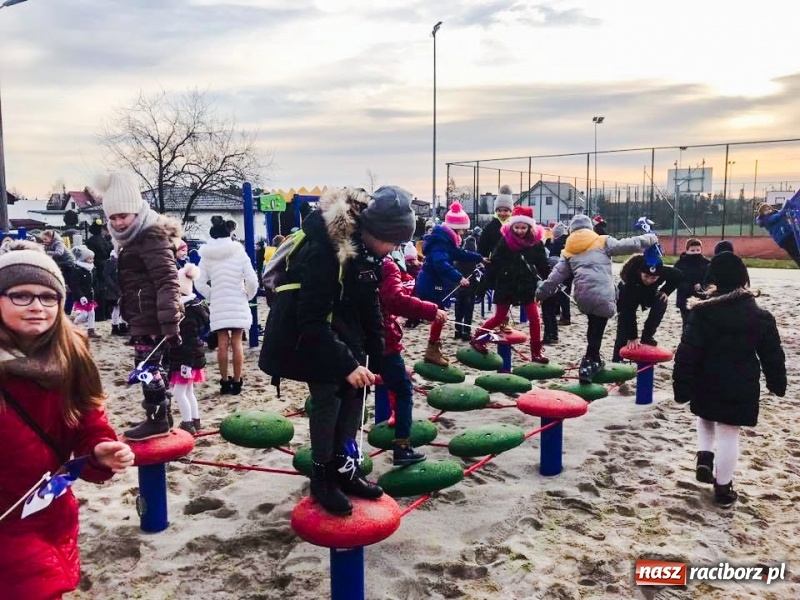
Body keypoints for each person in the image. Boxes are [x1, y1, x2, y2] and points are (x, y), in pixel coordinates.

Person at [259, 186, 414, 516]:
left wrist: (379, 355)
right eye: (394, 241)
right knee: (328, 400)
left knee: (354, 398)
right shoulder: (327, 250)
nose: (396, 249)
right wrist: (346, 364)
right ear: (376, 232)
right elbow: (311, 319)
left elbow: (370, 305)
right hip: (312, 337)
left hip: (345, 331)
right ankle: (323, 476)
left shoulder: (370, 253)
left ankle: (347, 468)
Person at [0, 241, 134, 599]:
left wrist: (100, 449)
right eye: (21, 295)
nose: (37, 307)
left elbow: (88, 418)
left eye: (48, 297)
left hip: (50, 508)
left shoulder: (71, 350)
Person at [673, 252, 785, 508]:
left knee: (705, 417)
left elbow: (687, 351)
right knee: (729, 432)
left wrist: (682, 386)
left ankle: (704, 454)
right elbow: (773, 354)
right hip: (741, 382)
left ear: (712, 278)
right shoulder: (760, 316)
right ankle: (723, 488)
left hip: (706, 377)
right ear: (744, 278)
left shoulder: (701, 313)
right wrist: (777, 382)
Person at [99, 171, 183, 441]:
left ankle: (157, 419)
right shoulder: (132, 239)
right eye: (112, 218)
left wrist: (169, 320)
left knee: (147, 367)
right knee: (149, 366)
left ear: (136, 210)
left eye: (122, 215)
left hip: (154, 316)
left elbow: (167, 279)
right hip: (143, 313)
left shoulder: (150, 236)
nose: (118, 222)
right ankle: (161, 415)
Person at [536, 214, 658, 383]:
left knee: (593, 325)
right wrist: (650, 238)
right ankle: (589, 363)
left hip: (582, 296)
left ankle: (593, 359)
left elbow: (554, 277)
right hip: (603, 293)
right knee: (598, 327)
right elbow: (629, 245)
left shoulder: (568, 251)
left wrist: (540, 293)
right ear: (590, 228)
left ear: (571, 231)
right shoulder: (602, 241)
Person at [379, 250, 445, 465]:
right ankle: (402, 447)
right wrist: (431, 310)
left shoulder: (343, 258)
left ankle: (340, 455)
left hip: (348, 337)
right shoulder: (386, 264)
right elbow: (394, 299)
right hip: (381, 339)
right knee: (403, 389)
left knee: (348, 398)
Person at [472, 206, 550, 363]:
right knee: (499, 316)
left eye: (523, 227)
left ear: (529, 227)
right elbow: (493, 264)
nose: (520, 230)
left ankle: (536, 351)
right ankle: (478, 338)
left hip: (527, 285)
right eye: (517, 227)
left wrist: (549, 282)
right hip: (506, 283)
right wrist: (483, 286)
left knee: (535, 318)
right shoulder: (505, 241)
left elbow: (542, 265)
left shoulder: (536, 244)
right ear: (512, 226)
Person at [195, 216, 259, 396]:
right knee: (237, 342)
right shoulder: (239, 253)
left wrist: (211, 294)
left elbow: (199, 282)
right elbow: (252, 279)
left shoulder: (206, 256)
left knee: (222, 342)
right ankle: (237, 382)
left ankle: (224, 381)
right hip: (237, 299)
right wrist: (248, 294)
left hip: (219, 301)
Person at [414, 202, 483, 366]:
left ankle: (434, 348)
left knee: (440, 316)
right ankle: (432, 350)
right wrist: (459, 277)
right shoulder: (440, 243)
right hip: (430, 284)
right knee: (439, 316)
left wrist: (479, 258)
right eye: (462, 229)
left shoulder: (446, 241)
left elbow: (460, 253)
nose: (464, 232)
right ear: (455, 228)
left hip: (433, 283)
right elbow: (441, 264)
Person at [612, 254, 681, 362]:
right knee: (624, 324)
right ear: (640, 272)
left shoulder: (665, 272)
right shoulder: (629, 278)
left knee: (661, 301)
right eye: (646, 276)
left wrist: (666, 291)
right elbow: (628, 311)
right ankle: (617, 359)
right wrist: (632, 336)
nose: (649, 280)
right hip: (630, 293)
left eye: (653, 278)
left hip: (648, 293)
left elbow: (678, 276)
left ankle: (647, 335)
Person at [169, 264, 210, 434]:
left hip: (186, 358)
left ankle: (187, 423)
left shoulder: (187, 312)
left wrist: (186, 364)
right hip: (194, 355)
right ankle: (195, 420)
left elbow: (187, 340)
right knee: (189, 391)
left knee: (179, 392)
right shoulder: (197, 306)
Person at [674, 238, 710, 331]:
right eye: (692, 250)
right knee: (687, 322)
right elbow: (676, 280)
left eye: (698, 250)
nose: (695, 252)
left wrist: (702, 286)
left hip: (702, 298)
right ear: (687, 250)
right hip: (685, 298)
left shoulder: (706, 263)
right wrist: (688, 286)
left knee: (702, 323)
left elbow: (710, 280)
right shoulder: (680, 264)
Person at [68, 245, 101, 338]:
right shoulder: (77, 269)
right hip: (81, 296)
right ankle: (73, 325)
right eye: (89, 258)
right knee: (84, 314)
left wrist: (96, 290)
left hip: (90, 294)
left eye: (92, 258)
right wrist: (81, 296)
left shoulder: (92, 269)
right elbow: (75, 285)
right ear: (84, 259)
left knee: (91, 313)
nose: (92, 260)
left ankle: (91, 330)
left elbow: (95, 281)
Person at [755, 201, 800, 267]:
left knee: (797, 253)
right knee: (796, 254)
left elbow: (786, 214)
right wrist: (784, 210)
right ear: (762, 212)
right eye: (765, 210)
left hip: (790, 234)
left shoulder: (777, 213)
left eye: (769, 208)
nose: (768, 210)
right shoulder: (764, 220)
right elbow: (774, 218)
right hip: (783, 238)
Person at [453, 233, 479, 341]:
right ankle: (466, 331)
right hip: (470, 287)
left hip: (459, 286)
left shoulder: (459, 259)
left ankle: (457, 330)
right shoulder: (474, 261)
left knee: (458, 309)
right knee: (468, 310)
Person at [86, 218, 113, 321]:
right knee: (103, 290)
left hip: (98, 266)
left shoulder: (91, 241)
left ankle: (100, 314)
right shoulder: (103, 240)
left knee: (99, 290)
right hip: (103, 266)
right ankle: (105, 313)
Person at [104, 249, 128, 336]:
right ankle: (115, 326)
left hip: (123, 287)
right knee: (116, 308)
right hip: (114, 289)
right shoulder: (111, 262)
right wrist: (115, 288)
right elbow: (107, 276)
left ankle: (123, 325)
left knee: (124, 308)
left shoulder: (124, 261)